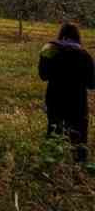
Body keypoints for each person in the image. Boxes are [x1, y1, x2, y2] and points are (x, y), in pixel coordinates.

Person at [39, 22, 95, 161]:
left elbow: (43, 75)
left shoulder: (49, 49)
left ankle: (50, 166)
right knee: (79, 141)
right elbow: (92, 84)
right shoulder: (84, 55)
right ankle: (79, 171)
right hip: (78, 104)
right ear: (77, 37)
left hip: (54, 101)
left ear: (61, 35)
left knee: (53, 134)